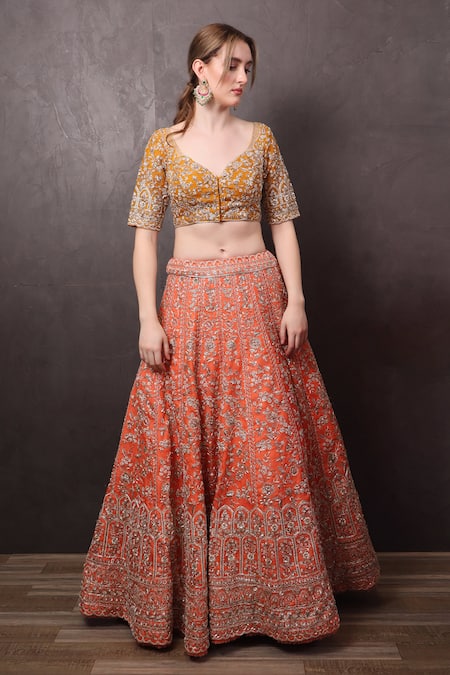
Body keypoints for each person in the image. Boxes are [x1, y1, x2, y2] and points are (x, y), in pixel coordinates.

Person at [79, 23, 380, 657]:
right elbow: (144, 238)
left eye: (249, 68)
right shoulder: (162, 146)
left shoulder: (261, 139)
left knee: (268, 447)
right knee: (183, 443)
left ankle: (279, 599)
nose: (244, 77)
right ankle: (182, 596)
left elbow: (283, 223)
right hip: (187, 303)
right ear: (200, 69)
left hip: (258, 297)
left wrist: (296, 300)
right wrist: (147, 317)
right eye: (233, 65)